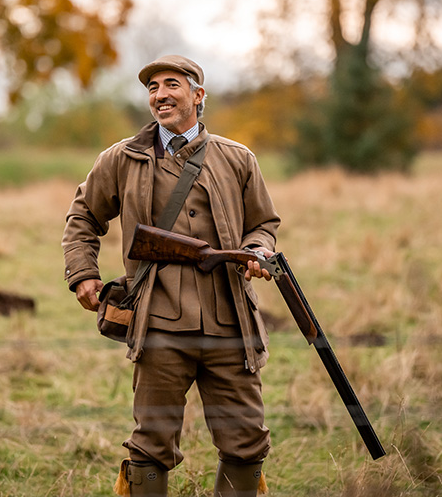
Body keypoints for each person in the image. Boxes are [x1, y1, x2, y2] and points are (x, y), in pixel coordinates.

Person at [62, 55, 280, 497]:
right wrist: (84, 273)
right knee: (151, 445)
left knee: (246, 444)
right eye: (152, 88)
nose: (159, 95)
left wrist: (258, 250)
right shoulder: (123, 158)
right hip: (158, 322)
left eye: (171, 85)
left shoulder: (238, 159)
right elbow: (83, 216)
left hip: (229, 323)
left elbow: (263, 223)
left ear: (198, 96)